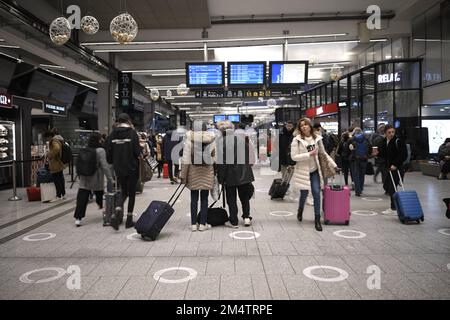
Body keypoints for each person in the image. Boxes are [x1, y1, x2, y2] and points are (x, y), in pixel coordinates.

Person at [290, 118, 338, 232]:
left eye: (305, 124)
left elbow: (323, 153)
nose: (304, 127)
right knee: (304, 194)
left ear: (310, 126)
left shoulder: (317, 138)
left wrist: (334, 165)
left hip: (315, 170)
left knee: (316, 192)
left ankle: (317, 219)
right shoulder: (296, 140)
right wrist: (308, 154)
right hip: (303, 171)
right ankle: (300, 210)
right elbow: (294, 157)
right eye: (301, 126)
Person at [105, 113, 142, 230]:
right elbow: (137, 152)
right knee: (131, 193)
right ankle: (129, 220)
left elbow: (108, 154)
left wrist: (114, 161)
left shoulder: (112, 134)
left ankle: (116, 214)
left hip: (119, 168)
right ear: (128, 121)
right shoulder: (132, 133)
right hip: (132, 167)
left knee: (123, 191)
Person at [217, 121, 256, 228]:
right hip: (244, 173)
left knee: (231, 198)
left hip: (230, 175)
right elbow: (248, 156)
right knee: (244, 197)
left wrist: (220, 178)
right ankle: (247, 217)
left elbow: (222, 162)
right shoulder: (241, 139)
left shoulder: (221, 142)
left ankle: (233, 220)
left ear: (221, 131)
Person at [180, 122, 216, 232]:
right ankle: (202, 224)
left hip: (193, 173)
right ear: (206, 129)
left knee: (194, 199)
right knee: (204, 199)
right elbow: (215, 159)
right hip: (207, 173)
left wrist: (183, 176)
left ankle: (193, 224)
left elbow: (185, 161)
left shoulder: (189, 140)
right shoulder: (212, 140)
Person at [74, 133, 114, 227]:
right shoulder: (100, 150)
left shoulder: (85, 149)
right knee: (99, 192)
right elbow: (104, 166)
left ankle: (78, 218)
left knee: (82, 197)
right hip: (96, 177)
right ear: (99, 140)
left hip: (84, 177)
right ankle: (100, 204)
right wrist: (110, 178)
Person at [376, 124, 408, 215]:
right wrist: (377, 154)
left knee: (392, 187)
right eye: (389, 132)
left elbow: (403, 155)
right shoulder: (385, 141)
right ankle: (395, 206)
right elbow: (384, 154)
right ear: (385, 133)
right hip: (389, 168)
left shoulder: (398, 141)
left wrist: (395, 164)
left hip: (397, 168)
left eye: (393, 132)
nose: (391, 134)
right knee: (387, 186)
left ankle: (393, 208)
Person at [43, 128, 66, 202]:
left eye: (46, 137)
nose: (46, 139)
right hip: (59, 162)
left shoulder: (53, 141)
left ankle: (58, 195)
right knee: (60, 179)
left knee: (57, 180)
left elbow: (57, 148)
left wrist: (50, 155)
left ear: (49, 136)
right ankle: (63, 194)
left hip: (55, 163)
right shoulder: (58, 139)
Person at [348, 127, 372, 197]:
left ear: (354, 132)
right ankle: (361, 189)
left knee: (356, 175)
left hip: (354, 159)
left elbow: (347, 148)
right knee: (362, 175)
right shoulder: (366, 139)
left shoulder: (352, 139)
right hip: (364, 159)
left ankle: (357, 191)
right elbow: (370, 147)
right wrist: (367, 155)